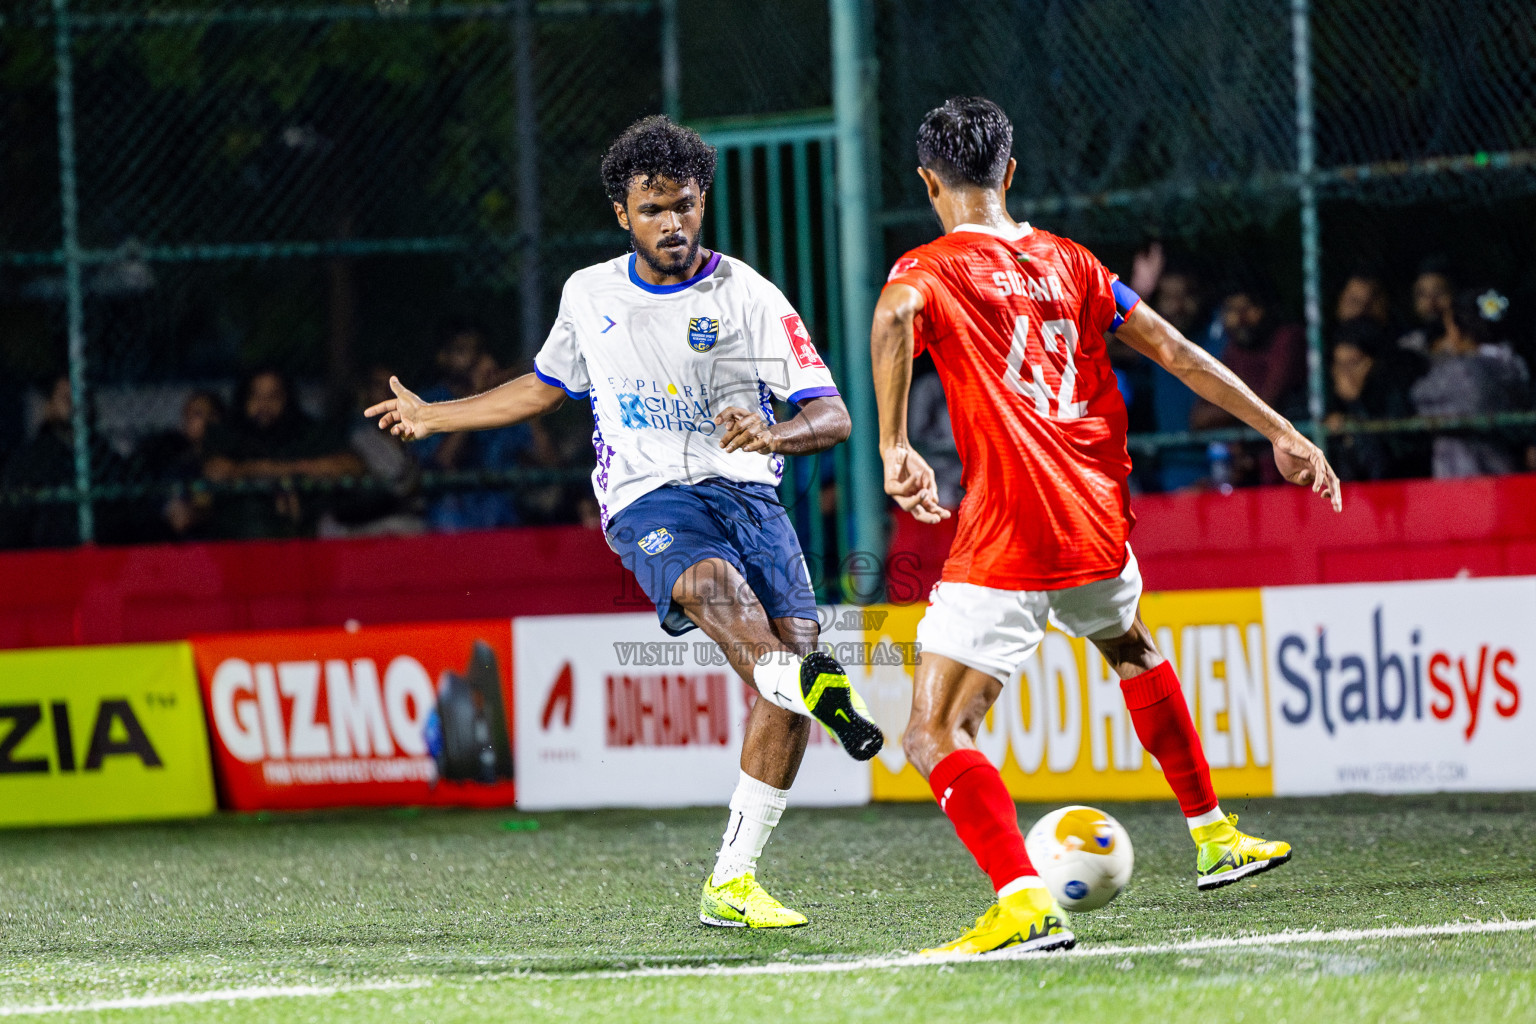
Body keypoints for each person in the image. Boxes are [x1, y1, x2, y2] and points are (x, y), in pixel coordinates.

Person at [366, 115, 882, 930]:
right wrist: (437, 415)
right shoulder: (590, 294)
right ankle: (813, 685)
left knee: (786, 669)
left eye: (684, 206)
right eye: (653, 210)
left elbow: (834, 415)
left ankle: (733, 880)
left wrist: (774, 433)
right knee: (717, 594)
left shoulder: (748, 296)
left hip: (750, 496)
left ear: (702, 201)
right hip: (649, 498)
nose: (671, 223)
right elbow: (543, 387)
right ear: (622, 214)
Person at [871, 97, 1342, 957]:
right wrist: (1281, 430)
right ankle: (1215, 836)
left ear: (928, 183)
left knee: (932, 731)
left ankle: (1022, 901)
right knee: (1130, 645)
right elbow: (1178, 353)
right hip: (1096, 518)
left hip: (1013, 527)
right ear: (1011, 173)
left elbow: (896, 316)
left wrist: (895, 442)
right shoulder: (1076, 263)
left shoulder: (930, 265)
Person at [203, 367, 365, 539]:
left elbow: (353, 466)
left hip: (303, 539)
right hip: (237, 540)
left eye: (273, 396)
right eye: (256, 396)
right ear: (244, 398)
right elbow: (216, 471)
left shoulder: (306, 431)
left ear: (287, 399)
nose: (264, 404)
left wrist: (282, 472)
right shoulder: (227, 432)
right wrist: (278, 472)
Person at [1410, 289, 1531, 478]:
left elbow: (1417, 397)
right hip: (1509, 474)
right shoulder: (1516, 363)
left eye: (1448, 326)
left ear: (1459, 331)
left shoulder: (1462, 370)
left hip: (1468, 477)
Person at [1324, 319, 1427, 482]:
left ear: (1374, 362)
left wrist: (1355, 409)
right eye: (1339, 364)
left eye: (1353, 363)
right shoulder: (1325, 399)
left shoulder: (1396, 393)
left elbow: (1385, 464)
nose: (1345, 373)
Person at [134, 389, 224, 540]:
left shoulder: (233, 460)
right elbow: (178, 517)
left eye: (198, 414)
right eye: (188, 415)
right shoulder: (179, 467)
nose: (189, 420)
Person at [1397, 260, 1455, 355]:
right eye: (1422, 295)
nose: (1430, 303)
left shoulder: (1471, 344)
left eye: (1439, 293)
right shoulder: (1407, 347)